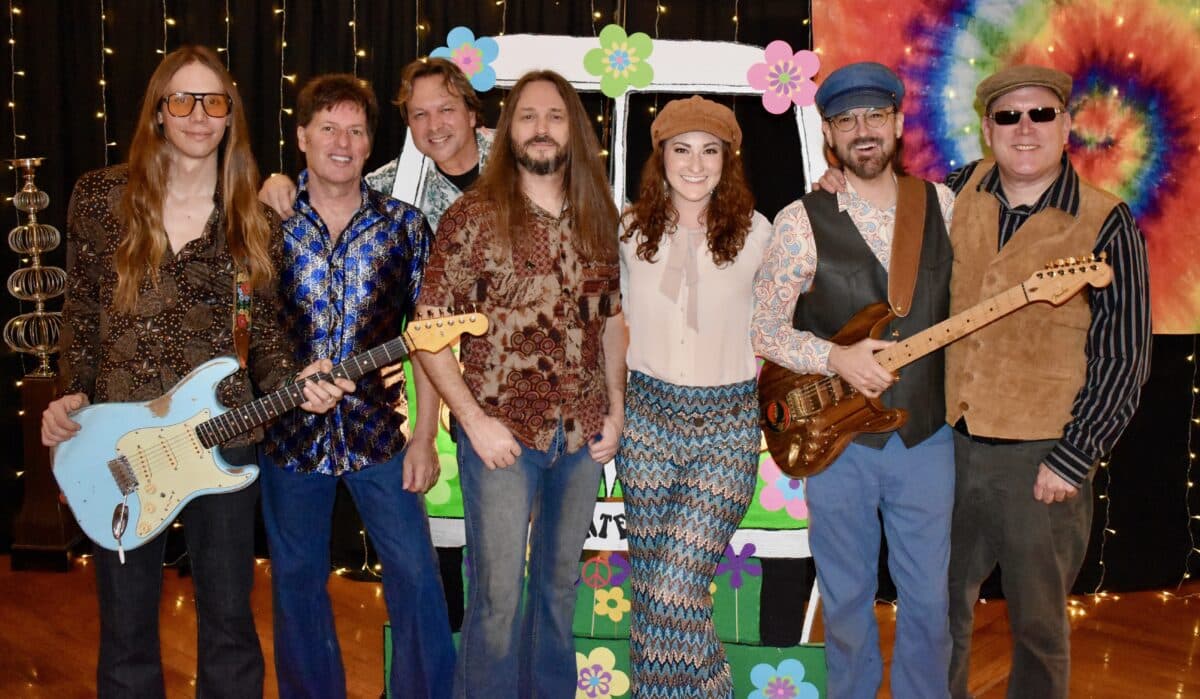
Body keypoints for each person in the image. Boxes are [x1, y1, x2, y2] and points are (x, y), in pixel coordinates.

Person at [39, 45, 352, 699]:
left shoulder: (252, 219)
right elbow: (82, 313)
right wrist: (71, 395)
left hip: (222, 436)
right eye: (182, 98)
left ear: (230, 115)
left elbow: (262, 337)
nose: (198, 114)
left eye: (214, 101)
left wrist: (302, 380)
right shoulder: (100, 197)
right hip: (117, 443)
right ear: (158, 110)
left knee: (231, 623)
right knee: (125, 627)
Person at [413, 69, 624, 698]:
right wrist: (475, 423)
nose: (540, 128)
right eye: (528, 116)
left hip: (582, 440)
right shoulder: (473, 216)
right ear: (509, 131)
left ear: (574, 131)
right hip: (502, 441)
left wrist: (614, 409)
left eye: (555, 116)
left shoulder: (597, 215)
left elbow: (611, 319)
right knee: (498, 601)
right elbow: (428, 331)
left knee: (559, 592)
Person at [943, 65, 1150, 699]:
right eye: (1008, 116)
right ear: (987, 129)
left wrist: (1074, 455)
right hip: (946, 445)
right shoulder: (952, 192)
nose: (1024, 129)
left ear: (1065, 127)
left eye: (1040, 115)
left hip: (1043, 458)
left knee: (1037, 626)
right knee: (937, 610)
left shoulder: (1107, 220)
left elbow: (1124, 355)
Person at [751, 62, 958, 698]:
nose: (862, 131)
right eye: (846, 120)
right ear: (830, 135)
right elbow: (763, 330)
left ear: (897, 124)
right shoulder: (798, 220)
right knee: (845, 601)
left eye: (875, 116)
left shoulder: (944, 205)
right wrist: (834, 358)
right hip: (837, 443)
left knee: (928, 601)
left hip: (927, 438)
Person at [257, 73, 455, 699]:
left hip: (382, 435)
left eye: (355, 130)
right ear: (301, 137)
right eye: (328, 128)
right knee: (295, 583)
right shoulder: (266, 223)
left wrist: (424, 438)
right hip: (290, 437)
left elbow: (428, 339)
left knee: (418, 579)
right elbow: (246, 331)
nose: (342, 142)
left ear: (371, 144)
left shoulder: (405, 227)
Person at [617, 95, 772, 696]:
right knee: (653, 584)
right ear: (661, 157)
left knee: (674, 586)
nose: (696, 164)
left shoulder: (760, 232)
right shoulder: (628, 229)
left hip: (726, 426)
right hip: (648, 423)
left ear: (728, 160)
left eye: (710, 151)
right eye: (681, 150)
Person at [259, 57, 493, 231]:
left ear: (471, 114)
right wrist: (277, 184)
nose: (434, 125)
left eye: (446, 109)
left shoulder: (516, 155)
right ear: (409, 124)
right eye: (420, 114)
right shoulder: (388, 186)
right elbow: (333, 191)